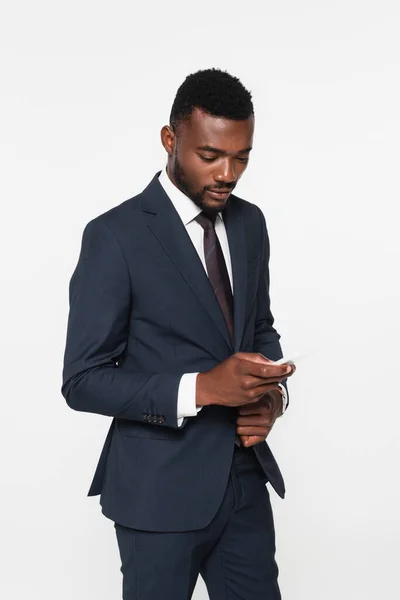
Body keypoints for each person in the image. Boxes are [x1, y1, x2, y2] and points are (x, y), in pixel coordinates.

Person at [61, 68, 295, 600]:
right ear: (170, 140)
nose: (227, 173)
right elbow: (82, 380)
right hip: (156, 491)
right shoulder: (114, 236)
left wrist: (272, 396)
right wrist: (202, 388)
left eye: (242, 157)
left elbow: (259, 327)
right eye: (210, 156)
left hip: (243, 480)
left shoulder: (250, 224)